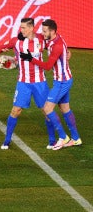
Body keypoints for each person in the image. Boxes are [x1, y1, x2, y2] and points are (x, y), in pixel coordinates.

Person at [20, 19, 82, 150]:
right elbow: (38, 37)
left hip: (62, 81)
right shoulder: (54, 39)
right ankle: (76, 139)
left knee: (48, 108)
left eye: (44, 31)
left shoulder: (57, 46)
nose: (42, 33)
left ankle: (63, 137)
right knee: (65, 108)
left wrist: (31, 59)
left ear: (52, 31)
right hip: (63, 79)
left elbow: (48, 66)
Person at [0, 17, 56, 150]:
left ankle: (52, 140)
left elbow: (56, 44)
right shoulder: (17, 41)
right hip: (23, 83)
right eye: (21, 27)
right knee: (15, 110)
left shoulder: (42, 39)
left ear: (31, 28)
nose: (21, 29)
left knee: (46, 111)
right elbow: (2, 49)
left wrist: (67, 52)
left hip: (39, 82)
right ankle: (7, 140)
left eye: (24, 27)